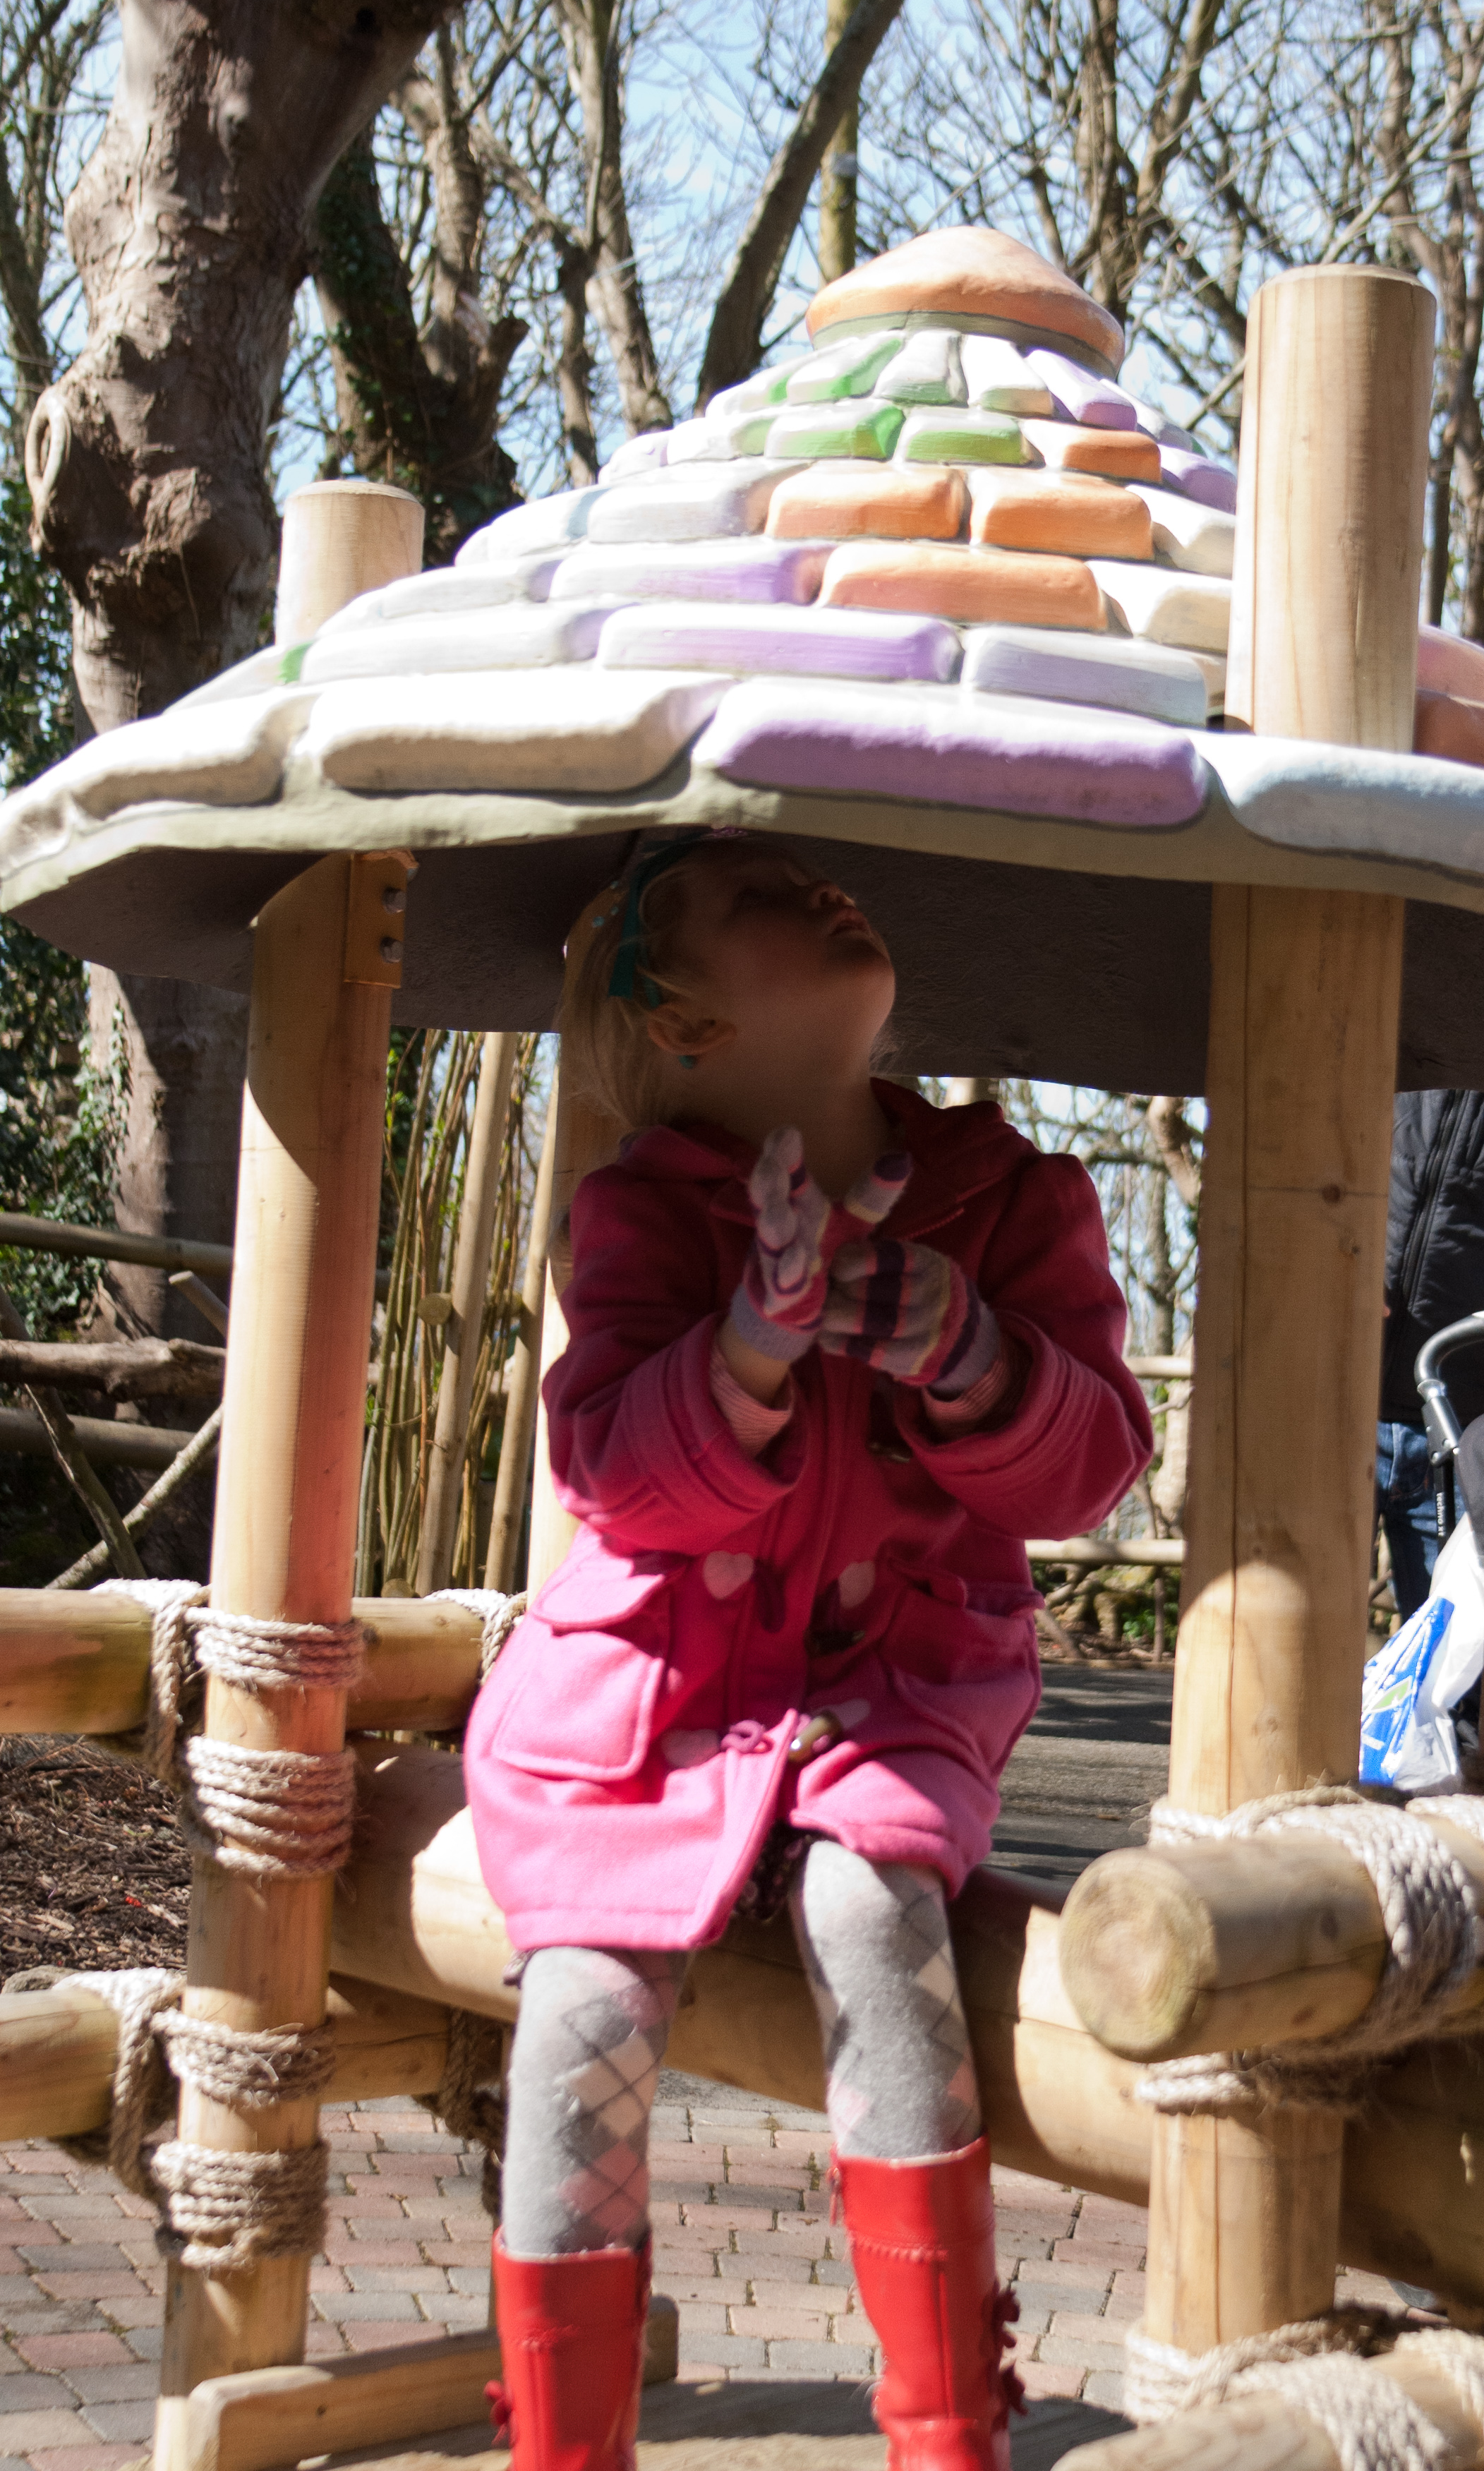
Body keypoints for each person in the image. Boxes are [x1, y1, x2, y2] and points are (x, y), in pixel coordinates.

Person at [464, 828, 1152, 2471]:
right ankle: (563, 2445)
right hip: (652, 1700)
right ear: (682, 1016)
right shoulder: (638, 1214)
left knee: (869, 1907)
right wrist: (749, 1353)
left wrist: (976, 1356)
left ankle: (946, 2426)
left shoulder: (1011, 1199)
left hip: (894, 1693)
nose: (825, 887)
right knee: (579, 2005)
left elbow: (1090, 1469)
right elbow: (609, 1472)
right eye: (759, 896)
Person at [1377, 1090, 1484, 1618]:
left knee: (1457, 1645)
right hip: (1335, 1407)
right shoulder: (1387, 1059)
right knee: (1291, 1638)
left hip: (1464, 1427)